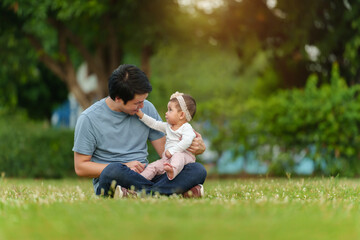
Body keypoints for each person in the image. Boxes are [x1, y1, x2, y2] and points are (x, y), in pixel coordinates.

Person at [72, 64, 207, 198]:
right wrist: (125, 166)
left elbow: (166, 152)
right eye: (137, 103)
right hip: (118, 178)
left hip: (146, 177)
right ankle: (170, 192)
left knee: (198, 170)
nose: (142, 106)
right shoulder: (89, 119)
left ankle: (138, 194)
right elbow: (81, 167)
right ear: (118, 98)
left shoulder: (147, 109)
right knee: (113, 170)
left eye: (144, 101)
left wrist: (194, 148)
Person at [136, 91, 197, 181]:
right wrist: (141, 115)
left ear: (181, 115)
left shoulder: (187, 128)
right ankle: (137, 181)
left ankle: (172, 171)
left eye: (170, 110)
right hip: (167, 159)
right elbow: (154, 124)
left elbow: (187, 141)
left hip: (183, 157)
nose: (166, 113)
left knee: (178, 156)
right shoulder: (167, 126)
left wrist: (172, 151)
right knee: (152, 166)